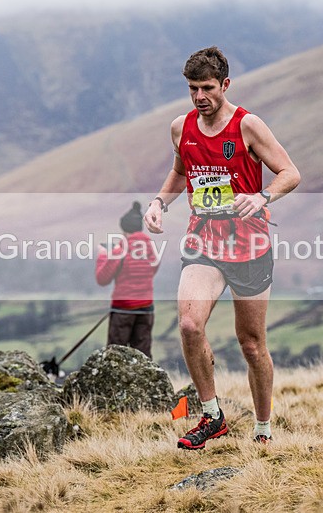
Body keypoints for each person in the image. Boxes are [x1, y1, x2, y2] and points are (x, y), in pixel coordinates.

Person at [144, 46, 300, 448]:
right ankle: (212, 416)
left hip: (249, 245)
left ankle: (263, 429)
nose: (200, 97)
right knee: (189, 324)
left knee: (251, 344)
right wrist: (160, 202)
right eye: (193, 89)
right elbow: (182, 171)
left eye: (208, 88)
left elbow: (290, 172)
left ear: (225, 85)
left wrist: (263, 197)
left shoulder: (248, 126)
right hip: (204, 240)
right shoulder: (182, 128)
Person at [96, 201, 160, 359]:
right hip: (146, 308)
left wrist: (103, 255)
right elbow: (153, 269)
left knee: (115, 356)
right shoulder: (151, 248)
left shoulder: (121, 248)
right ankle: (147, 383)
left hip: (122, 309)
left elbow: (102, 278)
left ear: (125, 229)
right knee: (143, 355)